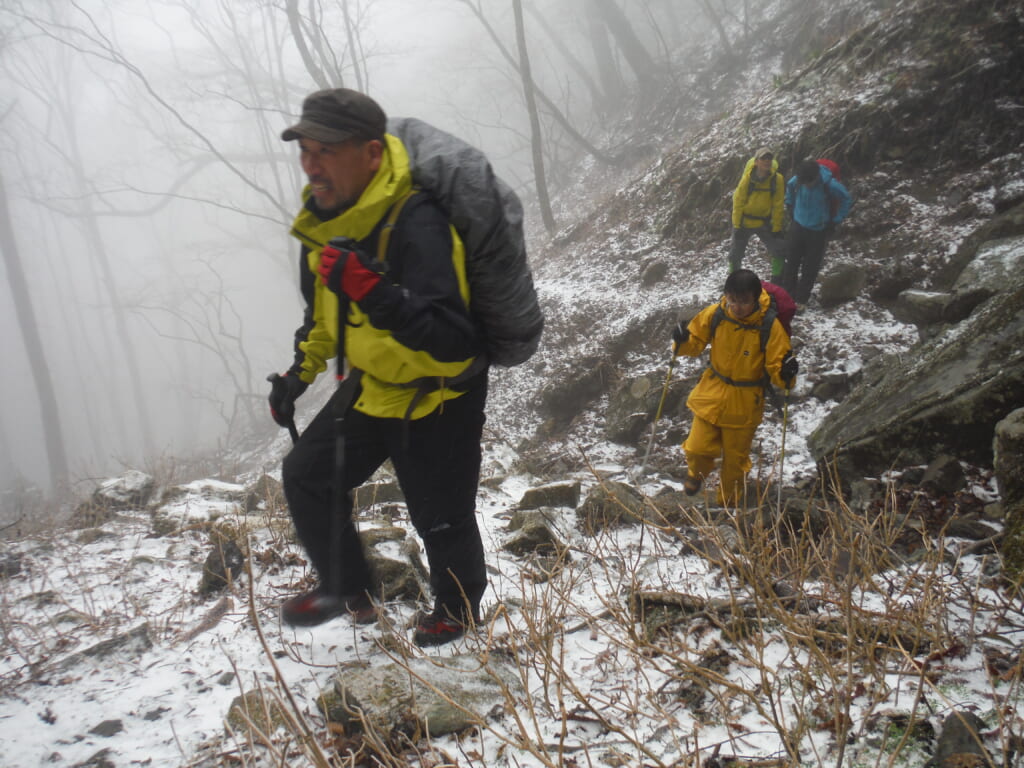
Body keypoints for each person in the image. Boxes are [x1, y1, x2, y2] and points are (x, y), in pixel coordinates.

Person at [267, 88, 490, 647]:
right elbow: (323, 316)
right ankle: (347, 584)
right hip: (375, 385)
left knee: (440, 517)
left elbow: (454, 340)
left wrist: (373, 289)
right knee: (308, 475)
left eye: (327, 150)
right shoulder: (323, 223)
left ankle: (458, 610)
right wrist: (299, 374)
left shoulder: (417, 222)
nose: (312, 165)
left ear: (370, 153)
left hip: (439, 393)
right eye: (305, 150)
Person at [671, 269, 798, 506]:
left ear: (755, 298)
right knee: (697, 447)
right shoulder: (717, 314)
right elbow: (695, 342)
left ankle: (728, 505)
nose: (736, 306)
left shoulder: (769, 327)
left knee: (735, 462)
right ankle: (696, 474)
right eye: (732, 299)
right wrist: (681, 341)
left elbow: (777, 366)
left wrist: (786, 373)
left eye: (743, 301)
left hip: (745, 402)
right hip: (711, 392)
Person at [780, 158, 852, 305]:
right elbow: (789, 186)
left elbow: (846, 198)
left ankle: (801, 300)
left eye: (809, 182)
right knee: (791, 262)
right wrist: (789, 204)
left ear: (816, 176)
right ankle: (787, 296)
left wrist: (836, 219)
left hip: (818, 230)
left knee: (810, 267)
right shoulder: (799, 179)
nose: (806, 185)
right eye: (804, 182)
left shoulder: (829, 184)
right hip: (798, 225)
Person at [729, 147, 787, 279]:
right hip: (744, 221)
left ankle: (777, 281)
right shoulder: (747, 179)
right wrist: (737, 225)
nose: (767, 161)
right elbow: (738, 202)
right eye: (763, 159)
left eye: (769, 159)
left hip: (764, 222)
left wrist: (777, 227)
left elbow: (778, 205)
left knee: (779, 250)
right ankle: (733, 280)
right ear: (756, 162)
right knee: (735, 254)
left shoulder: (777, 179)